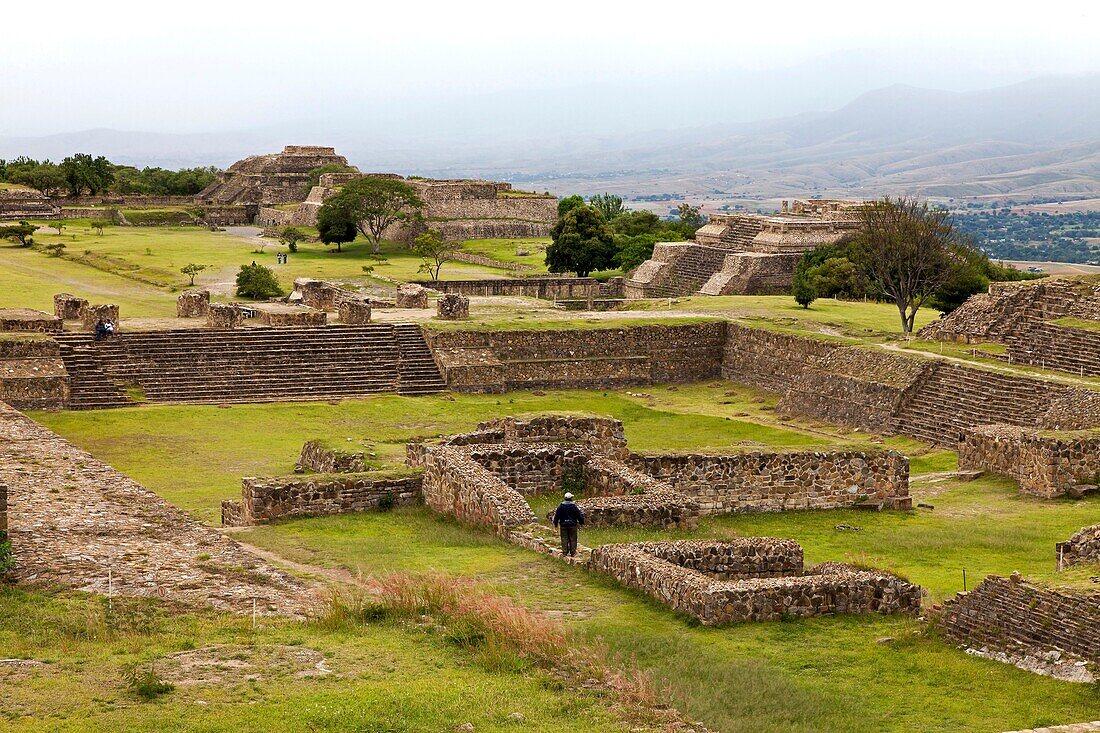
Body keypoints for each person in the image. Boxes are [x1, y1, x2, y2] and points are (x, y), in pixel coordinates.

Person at [552, 492, 584, 557]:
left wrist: (555, 524)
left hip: (563, 525)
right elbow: (579, 515)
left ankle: (565, 552)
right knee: (573, 539)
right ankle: (573, 552)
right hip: (572, 525)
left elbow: (557, 516)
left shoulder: (561, 506)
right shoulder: (573, 506)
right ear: (571, 498)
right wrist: (581, 522)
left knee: (564, 538)